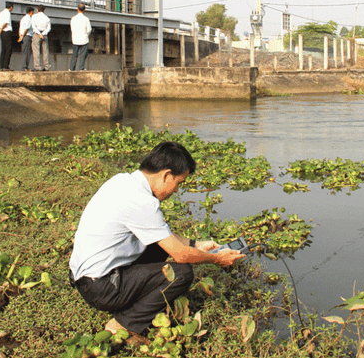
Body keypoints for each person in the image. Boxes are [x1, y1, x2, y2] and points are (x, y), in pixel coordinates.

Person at [69, 141, 244, 337]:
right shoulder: (142, 202)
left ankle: (131, 300)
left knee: (160, 247)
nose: (177, 190)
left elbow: (163, 236)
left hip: (86, 278)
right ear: (166, 175)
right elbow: (181, 256)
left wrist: (197, 244)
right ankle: (124, 324)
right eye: (178, 183)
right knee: (181, 273)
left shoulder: (123, 182)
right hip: (101, 288)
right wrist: (217, 259)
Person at [69, 3, 92, 71]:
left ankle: (71, 68)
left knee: (74, 55)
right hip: (84, 39)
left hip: (75, 39)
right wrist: (86, 34)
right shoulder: (86, 19)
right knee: (83, 55)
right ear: (84, 10)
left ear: (77, 9)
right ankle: (81, 68)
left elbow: (72, 28)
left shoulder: (73, 18)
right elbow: (89, 29)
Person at [31, 4, 51, 71]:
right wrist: (43, 33)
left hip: (37, 34)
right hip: (44, 34)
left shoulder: (34, 16)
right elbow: (49, 28)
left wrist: (39, 34)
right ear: (44, 10)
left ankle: (37, 67)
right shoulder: (47, 18)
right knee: (45, 51)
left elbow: (33, 26)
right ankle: (47, 66)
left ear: (37, 10)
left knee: (36, 50)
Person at [0, 2, 14, 70]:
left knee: (3, 49)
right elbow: (6, 23)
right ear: (11, 7)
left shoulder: (1, 13)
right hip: (7, 31)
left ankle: (2, 66)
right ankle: (6, 65)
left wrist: (1, 29)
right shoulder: (7, 13)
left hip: (3, 33)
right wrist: (1, 29)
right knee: (8, 49)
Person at [17, 7, 34, 71]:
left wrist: (20, 36)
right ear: (31, 12)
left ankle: (25, 67)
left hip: (23, 35)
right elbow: (27, 28)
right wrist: (22, 36)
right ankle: (25, 67)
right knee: (27, 52)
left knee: (25, 51)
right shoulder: (29, 19)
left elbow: (20, 28)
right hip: (27, 36)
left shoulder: (23, 18)